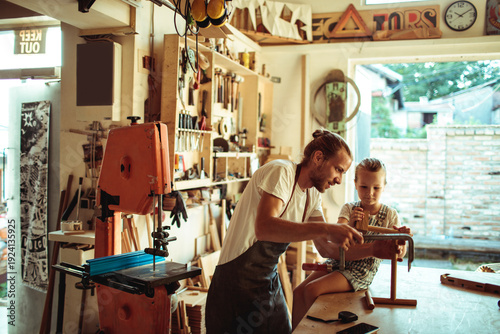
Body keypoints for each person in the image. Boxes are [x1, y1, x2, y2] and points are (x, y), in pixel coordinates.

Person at [205, 129, 364, 334]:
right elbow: (264, 227)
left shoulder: (311, 195)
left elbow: (326, 249)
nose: (339, 180)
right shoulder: (281, 172)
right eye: (338, 169)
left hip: (266, 283)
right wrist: (327, 228)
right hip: (236, 285)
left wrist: (376, 249)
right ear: (318, 158)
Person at [292, 157, 412, 330]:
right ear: (355, 184)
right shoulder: (349, 209)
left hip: (362, 270)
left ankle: (314, 332)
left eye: (376, 188)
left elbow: (399, 253)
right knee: (298, 292)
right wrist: (350, 225)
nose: (369, 193)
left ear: (384, 186)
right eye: (364, 187)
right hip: (338, 261)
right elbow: (335, 238)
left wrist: (401, 242)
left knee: (312, 290)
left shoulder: (390, 215)